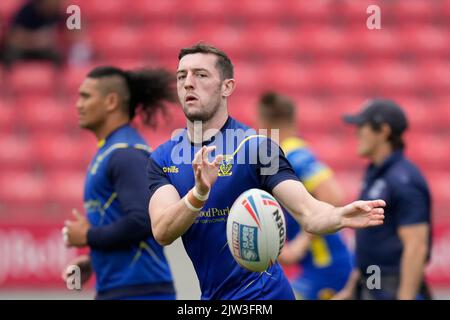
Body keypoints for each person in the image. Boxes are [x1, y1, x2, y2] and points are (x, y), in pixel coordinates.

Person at [146, 43, 385, 300]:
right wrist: (199, 194)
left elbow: (308, 212)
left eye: (201, 75)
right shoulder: (163, 157)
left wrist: (339, 216)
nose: (188, 83)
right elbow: (162, 231)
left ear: (227, 87)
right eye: (182, 76)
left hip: (265, 296)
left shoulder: (257, 147)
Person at [61, 66, 176, 300]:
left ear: (111, 101)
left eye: (86, 96)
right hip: (121, 289)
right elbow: (120, 220)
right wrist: (96, 259)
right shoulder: (111, 149)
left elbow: (143, 220)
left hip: (142, 292)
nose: (78, 104)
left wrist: (89, 237)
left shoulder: (126, 153)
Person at [257, 92, 353, 300]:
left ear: (266, 124)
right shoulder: (291, 153)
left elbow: (333, 194)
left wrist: (301, 243)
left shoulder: (293, 156)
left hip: (327, 265)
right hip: (318, 267)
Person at [336, 99, 432, 300]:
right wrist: (352, 289)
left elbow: (416, 246)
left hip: (392, 288)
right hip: (372, 285)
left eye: (362, 126)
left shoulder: (404, 179)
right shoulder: (376, 173)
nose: (357, 132)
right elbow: (372, 239)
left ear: (384, 131)